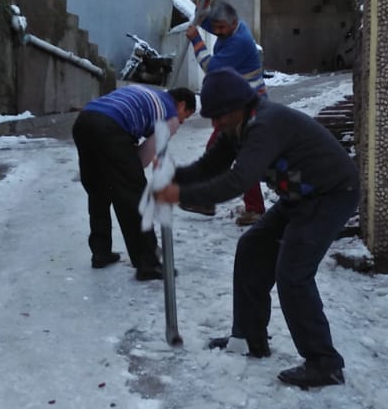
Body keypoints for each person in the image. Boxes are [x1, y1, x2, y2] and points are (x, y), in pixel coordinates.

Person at [154, 67, 359, 388]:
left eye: (220, 116)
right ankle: (250, 338)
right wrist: (174, 178)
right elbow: (210, 166)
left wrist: (180, 194)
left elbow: (239, 180)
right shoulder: (234, 127)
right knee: (252, 248)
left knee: (293, 273)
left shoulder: (265, 125)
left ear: (240, 106)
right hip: (299, 196)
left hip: (331, 193)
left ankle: (324, 363)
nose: (215, 123)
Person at [73, 83, 196, 281]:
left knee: (98, 189)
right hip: (110, 127)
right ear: (181, 105)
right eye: (185, 117)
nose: (180, 123)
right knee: (135, 196)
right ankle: (147, 263)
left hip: (84, 120)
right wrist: (128, 174)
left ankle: (100, 251)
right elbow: (144, 157)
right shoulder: (170, 115)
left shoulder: (148, 92)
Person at [184, 0, 266, 226]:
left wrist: (196, 40)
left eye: (221, 30)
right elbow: (201, 16)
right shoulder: (227, 27)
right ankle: (214, 202)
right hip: (235, 105)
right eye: (215, 29)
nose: (217, 33)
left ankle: (251, 208)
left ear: (233, 23)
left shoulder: (240, 41)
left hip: (249, 106)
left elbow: (211, 67)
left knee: (237, 155)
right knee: (222, 152)